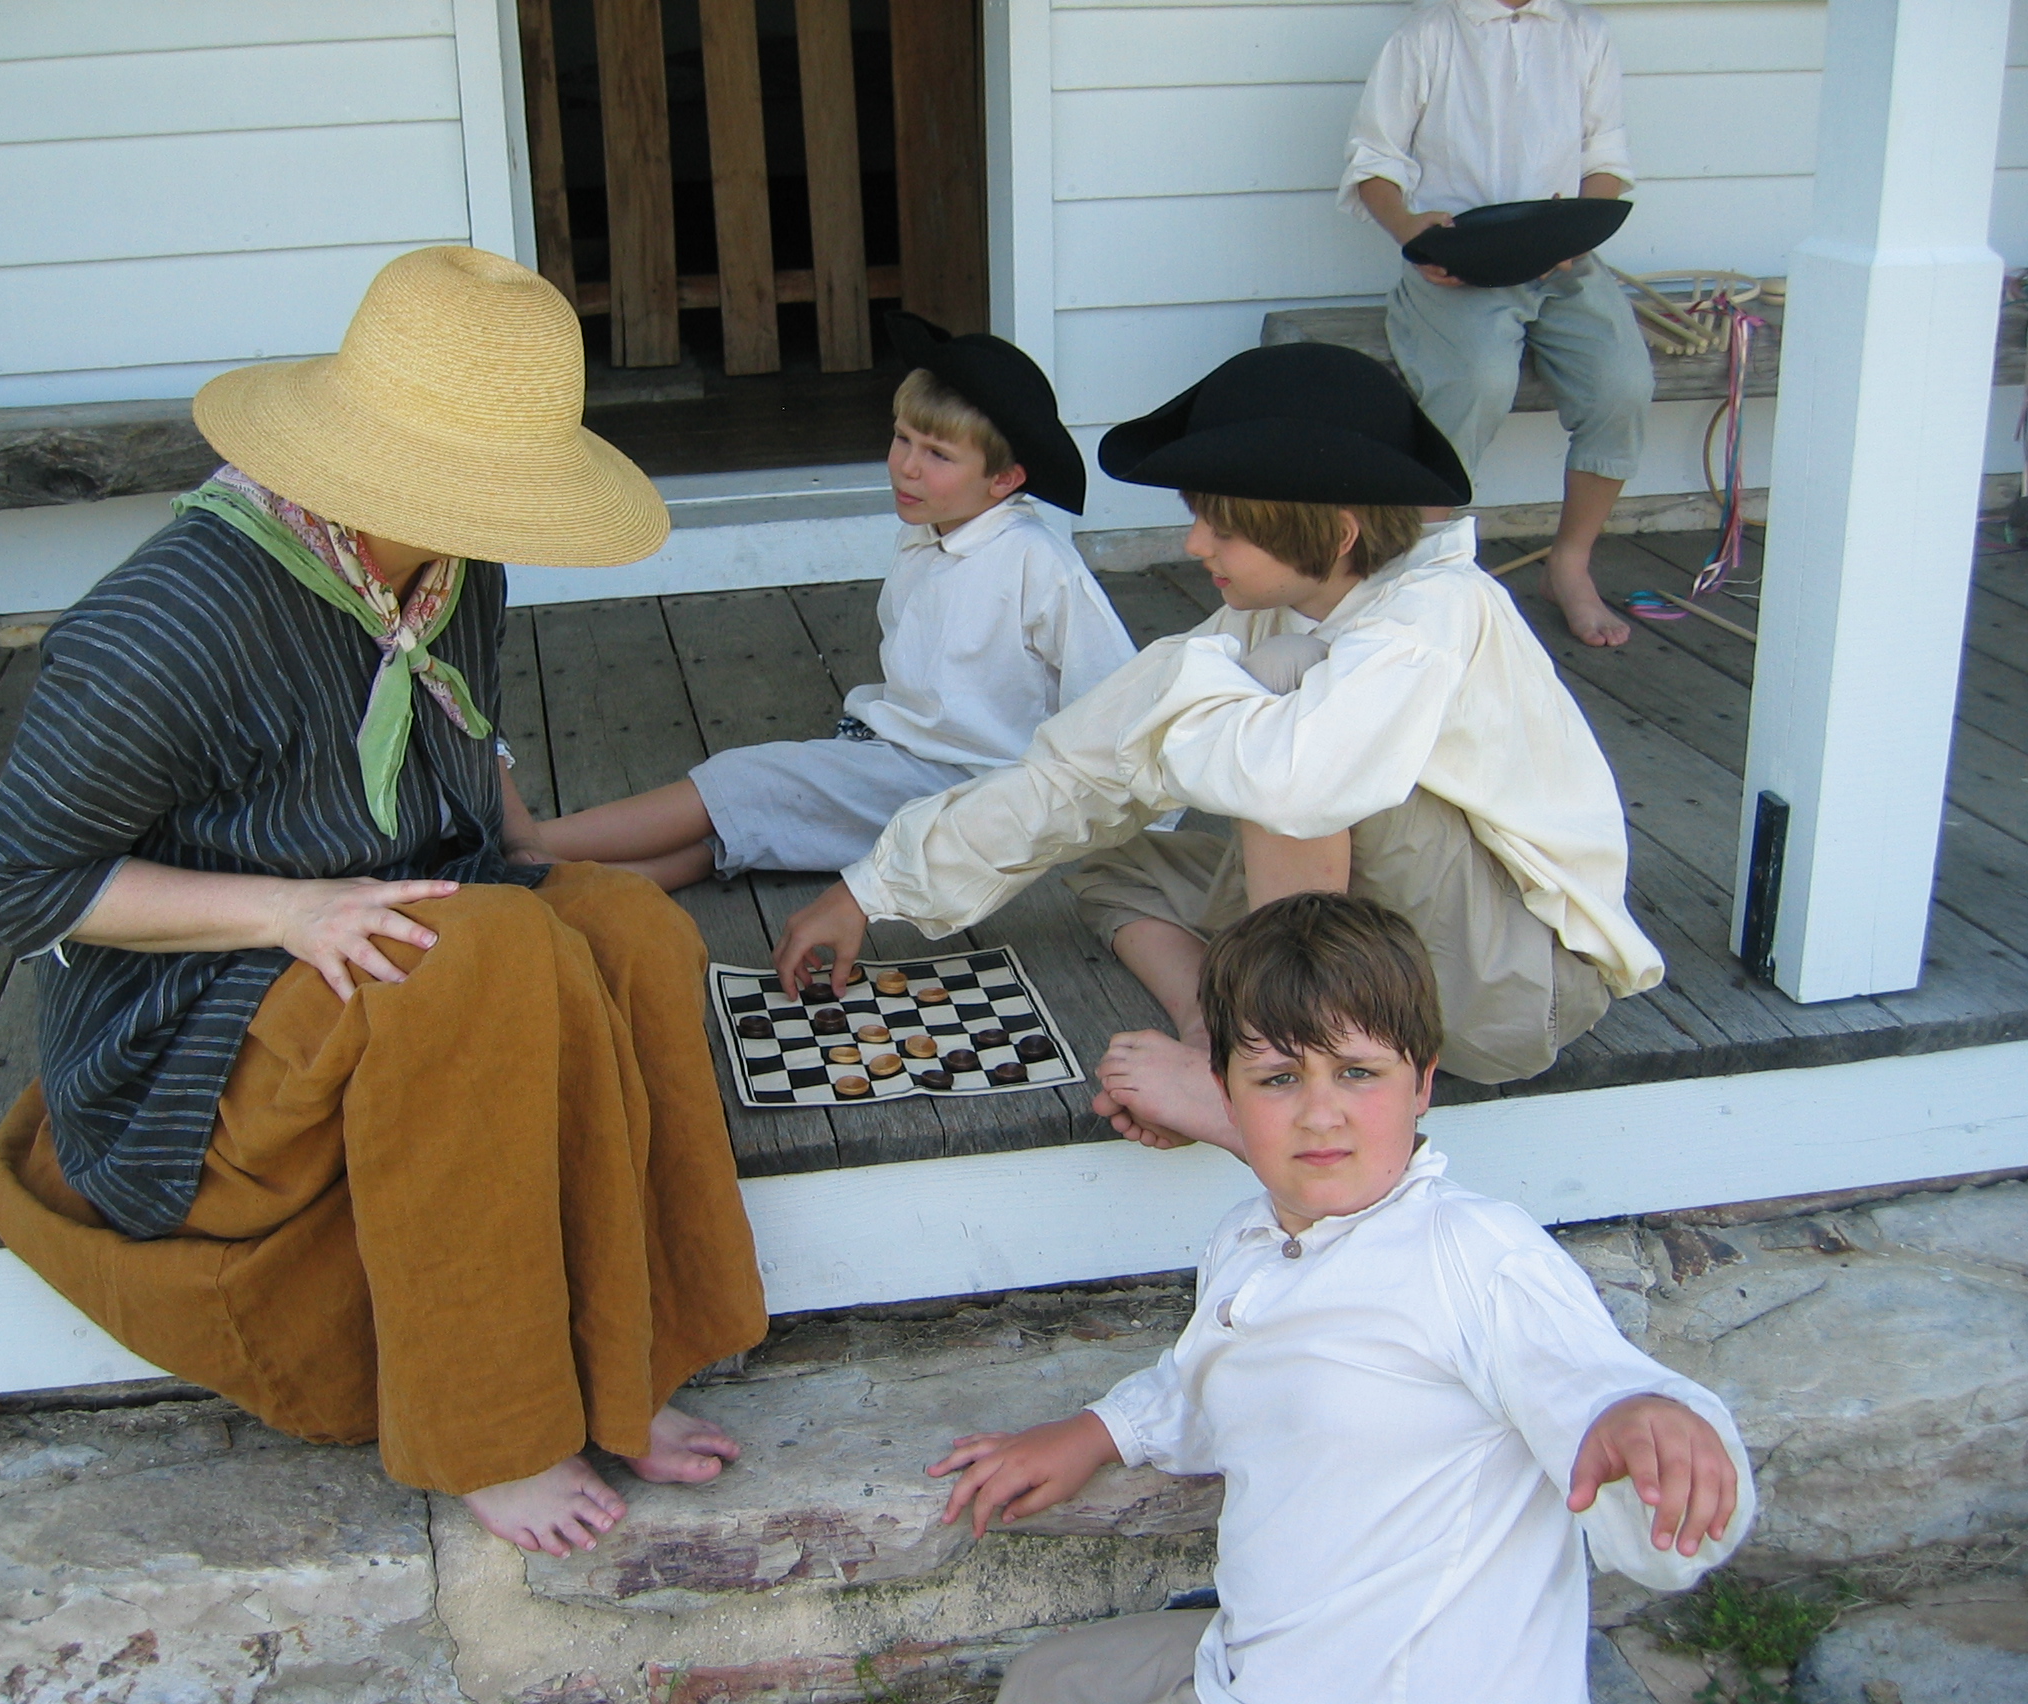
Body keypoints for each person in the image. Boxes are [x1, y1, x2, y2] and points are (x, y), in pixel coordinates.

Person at [0, 247, 767, 1560]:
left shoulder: (456, 568)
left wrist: (539, 852)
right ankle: (495, 1431)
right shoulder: (168, 624)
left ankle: (630, 1368)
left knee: (625, 924)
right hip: (193, 1040)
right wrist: (290, 915)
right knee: (478, 960)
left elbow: (453, 792)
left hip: (396, 920)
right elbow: (26, 887)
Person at [772, 344, 1663, 1152]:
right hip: (1390, 949)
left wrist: (1183, 697)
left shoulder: (1433, 615)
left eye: (1221, 526)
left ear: (1336, 533)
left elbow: (1292, 781)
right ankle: (1216, 1031)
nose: (1195, 543)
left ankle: (1275, 1063)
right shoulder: (1271, 613)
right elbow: (1082, 770)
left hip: (1511, 988)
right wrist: (871, 886)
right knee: (1107, 859)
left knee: (1281, 732)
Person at [929, 893, 1752, 1704]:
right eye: (1279, 1078)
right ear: (1224, 1092)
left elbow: (1599, 1402)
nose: (1321, 1113)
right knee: (1047, 1682)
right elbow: (1221, 1375)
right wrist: (1099, 1431)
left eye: (1358, 1073)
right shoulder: (1246, 1241)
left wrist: (1655, 1429)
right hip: (1257, 1664)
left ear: (1422, 1082)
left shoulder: (1477, 1259)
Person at [536, 312, 1134, 888]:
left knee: (747, 781)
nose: (907, 467)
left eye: (939, 455)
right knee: (735, 835)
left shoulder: (1036, 560)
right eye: (903, 438)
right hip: (902, 759)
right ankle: (536, 879)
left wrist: (1115, 825)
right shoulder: (926, 533)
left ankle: (533, 844)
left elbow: (1117, 694)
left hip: (971, 787)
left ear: (1004, 480)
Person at [1342, 0, 1654, 647]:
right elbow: (1374, 158)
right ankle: (1417, 569)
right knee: (1479, 379)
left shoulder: (1585, 34)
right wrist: (1410, 230)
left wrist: (1576, 228)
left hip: (1563, 258)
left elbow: (1607, 158)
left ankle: (1569, 563)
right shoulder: (1427, 35)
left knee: (1622, 384)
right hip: (1457, 261)